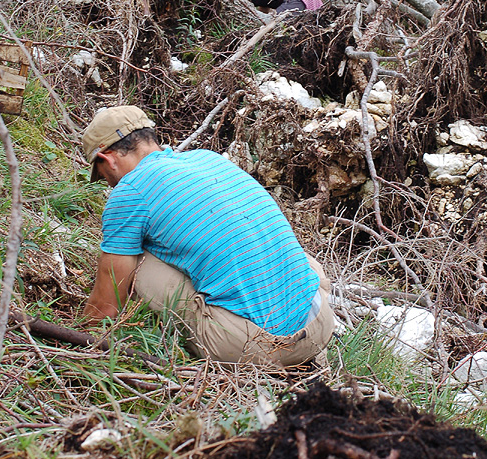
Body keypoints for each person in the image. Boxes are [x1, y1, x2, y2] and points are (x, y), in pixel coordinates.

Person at [81, 105, 335, 367]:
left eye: (103, 177)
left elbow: (107, 307)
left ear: (108, 158)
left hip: (252, 349)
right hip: (320, 325)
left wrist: (80, 336)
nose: (110, 185)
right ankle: (307, 355)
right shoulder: (209, 159)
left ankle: (267, 351)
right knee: (263, 241)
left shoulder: (130, 190)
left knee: (135, 258)